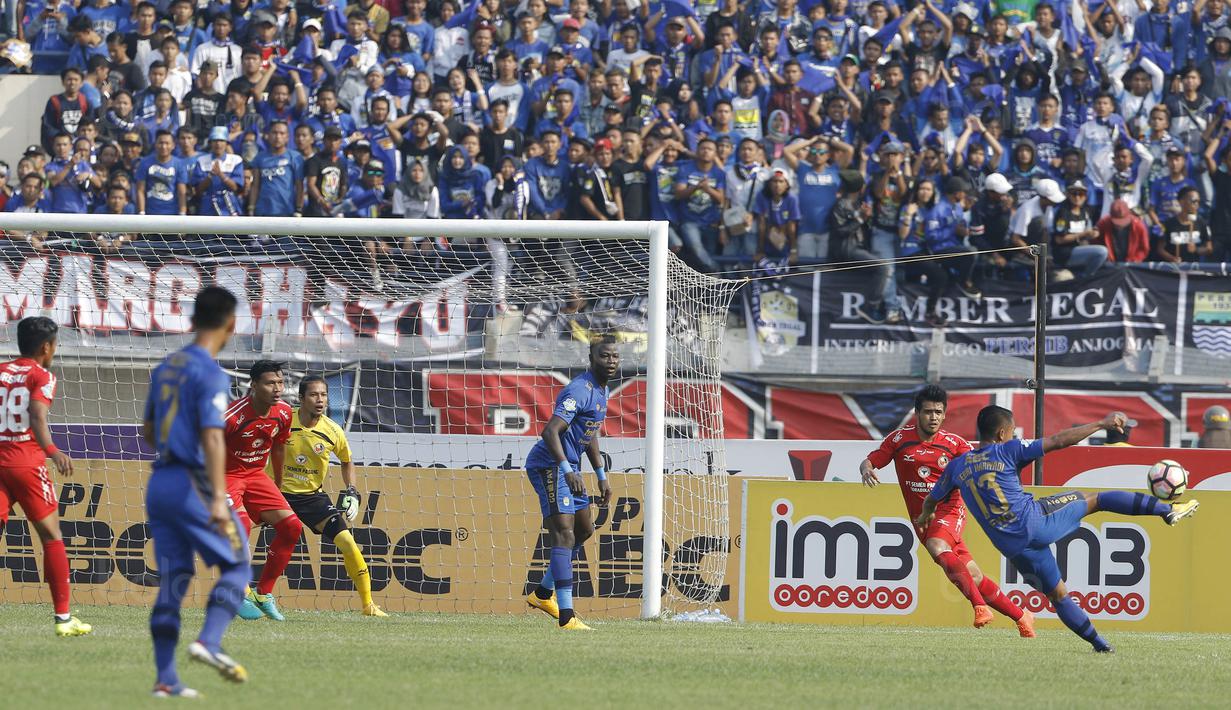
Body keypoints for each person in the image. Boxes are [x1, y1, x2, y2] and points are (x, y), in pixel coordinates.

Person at [917, 407, 1200, 652]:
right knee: (1096, 500)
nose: (1014, 436)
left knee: (1058, 595)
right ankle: (1167, 510)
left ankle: (1100, 645)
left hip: (1013, 548)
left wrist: (925, 515)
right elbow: (1057, 440)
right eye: (1013, 431)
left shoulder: (957, 466)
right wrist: (1101, 424)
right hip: (1035, 522)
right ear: (1003, 433)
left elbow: (932, 498)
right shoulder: (1008, 450)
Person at [141, 288, 247, 697]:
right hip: (193, 483)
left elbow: (148, 431)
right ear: (231, 324)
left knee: (175, 579)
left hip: (161, 483)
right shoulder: (211, 372)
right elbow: (213, 436)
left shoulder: (166, 366)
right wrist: (219, 498)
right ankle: (209, 641)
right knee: (237, 566)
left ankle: (165, 678)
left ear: (191, 320)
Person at [861, 385, 1033, 635]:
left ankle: (980, 607)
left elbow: (980, 467)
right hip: (922, 519)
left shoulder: (954, 445)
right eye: (928, 412)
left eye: (938, 412)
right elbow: (871, 460)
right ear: (918, 413)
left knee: (937, 546)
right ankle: (1022, 617)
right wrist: (866, 469)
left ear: (944, 415)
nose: (933, 417)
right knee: (972, 575)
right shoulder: (899, 439)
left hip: (950, 510)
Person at [0, 317, 90, 638]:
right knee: (51, 537)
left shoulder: (0, 371)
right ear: (46, 347)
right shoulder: (43, 375)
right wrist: (53, 451)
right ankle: (64, 619)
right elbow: (36, 415)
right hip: (26, 463)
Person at [524, 336, 617, 630]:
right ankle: (567, 617)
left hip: (570, 466)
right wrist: (566, 469)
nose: (611, 361)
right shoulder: (579, 389)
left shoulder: (602, 391)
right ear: (591, 359)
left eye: (615, 356)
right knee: (563, 535)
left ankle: (542, 594)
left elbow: (588, 434)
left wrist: (601, 476)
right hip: (549, 464)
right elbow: (550, 432)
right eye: (605, 356)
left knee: (584, 530)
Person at [274, 376, 386, 617]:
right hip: (276, 493)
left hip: (312, 498)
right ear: (301, 398)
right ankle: (249, 594)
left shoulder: (333, 431)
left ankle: (368, 605)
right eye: (314, 395)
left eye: (323, 395)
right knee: (236, 531)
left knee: (347, 542)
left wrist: (352, 491)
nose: (320, 400)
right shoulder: (283, 420)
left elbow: (347, 462)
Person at [224, 361, 303, 622]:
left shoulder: (283, 413)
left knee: (292, 527)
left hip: (256, 476)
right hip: (225, 476)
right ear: (254, 385)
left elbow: (279, 447)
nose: (278, 388)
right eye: (271, 383)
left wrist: (278, 484)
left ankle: (263, 593)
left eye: (280, 382)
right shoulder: (231, 416)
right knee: (241, 526)